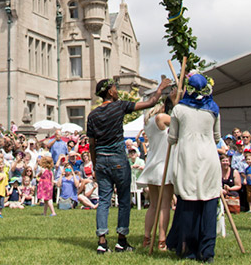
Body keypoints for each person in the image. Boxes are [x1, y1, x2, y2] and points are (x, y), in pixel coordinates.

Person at [87, 76, 172, 254]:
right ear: (110, 91)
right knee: (124, 200)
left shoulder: (93, 114)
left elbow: (92, 144)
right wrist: (161, 87)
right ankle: (121, 241)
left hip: (101, 159)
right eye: (115, 88)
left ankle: (102, 242)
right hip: (118, 158)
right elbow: (151, 102)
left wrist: (95, 165)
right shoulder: (119, 106)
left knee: (103, 200)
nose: (117, 91)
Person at [165, 73, 221, 263]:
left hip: (188, 157)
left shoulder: (179, 109)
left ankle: (188, 248)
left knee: (189, 202)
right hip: (209, 157)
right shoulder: (213, 109)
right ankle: (207, 251)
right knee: (209, 203)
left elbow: (172, 138)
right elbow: (217, 137)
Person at [136, 92, 177, 250]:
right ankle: (161, 240)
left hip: (152, 165)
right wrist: (175, 104)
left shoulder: (148, 123)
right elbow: (179, 120)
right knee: (164, 205)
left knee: (153, 204)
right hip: (162, 166)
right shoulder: (161, 119)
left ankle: (147, 237)